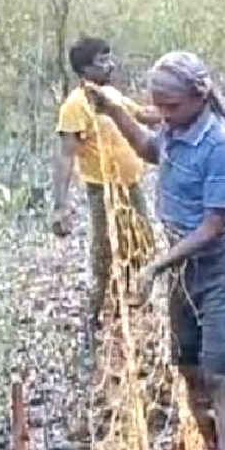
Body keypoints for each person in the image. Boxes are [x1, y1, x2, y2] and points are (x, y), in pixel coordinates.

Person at [85, 51, 225, 450]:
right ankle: (210, 445)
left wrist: (156, 266)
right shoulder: (175, 129)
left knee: (220, 376)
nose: (163, 113)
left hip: (220, 271)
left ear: (199, 97)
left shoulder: (220, 146)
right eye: (158, 105)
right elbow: (148, 148)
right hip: (182, 270)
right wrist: (112, 110)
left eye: (171, 106)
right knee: (189, 366)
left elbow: (215, 224)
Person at [51, 36, 162, 329]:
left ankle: (133, 306)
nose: (110, 65)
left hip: (131, 185)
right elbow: (65, 156)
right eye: (102, 62)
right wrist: (59, 207)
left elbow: (143, 116)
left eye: (109, 58)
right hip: (102, 191)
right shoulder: (74, 106)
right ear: (84, 69)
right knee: (104, 251)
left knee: (142, 244)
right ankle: (96, 312)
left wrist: (179, 108)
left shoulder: (112, 95)